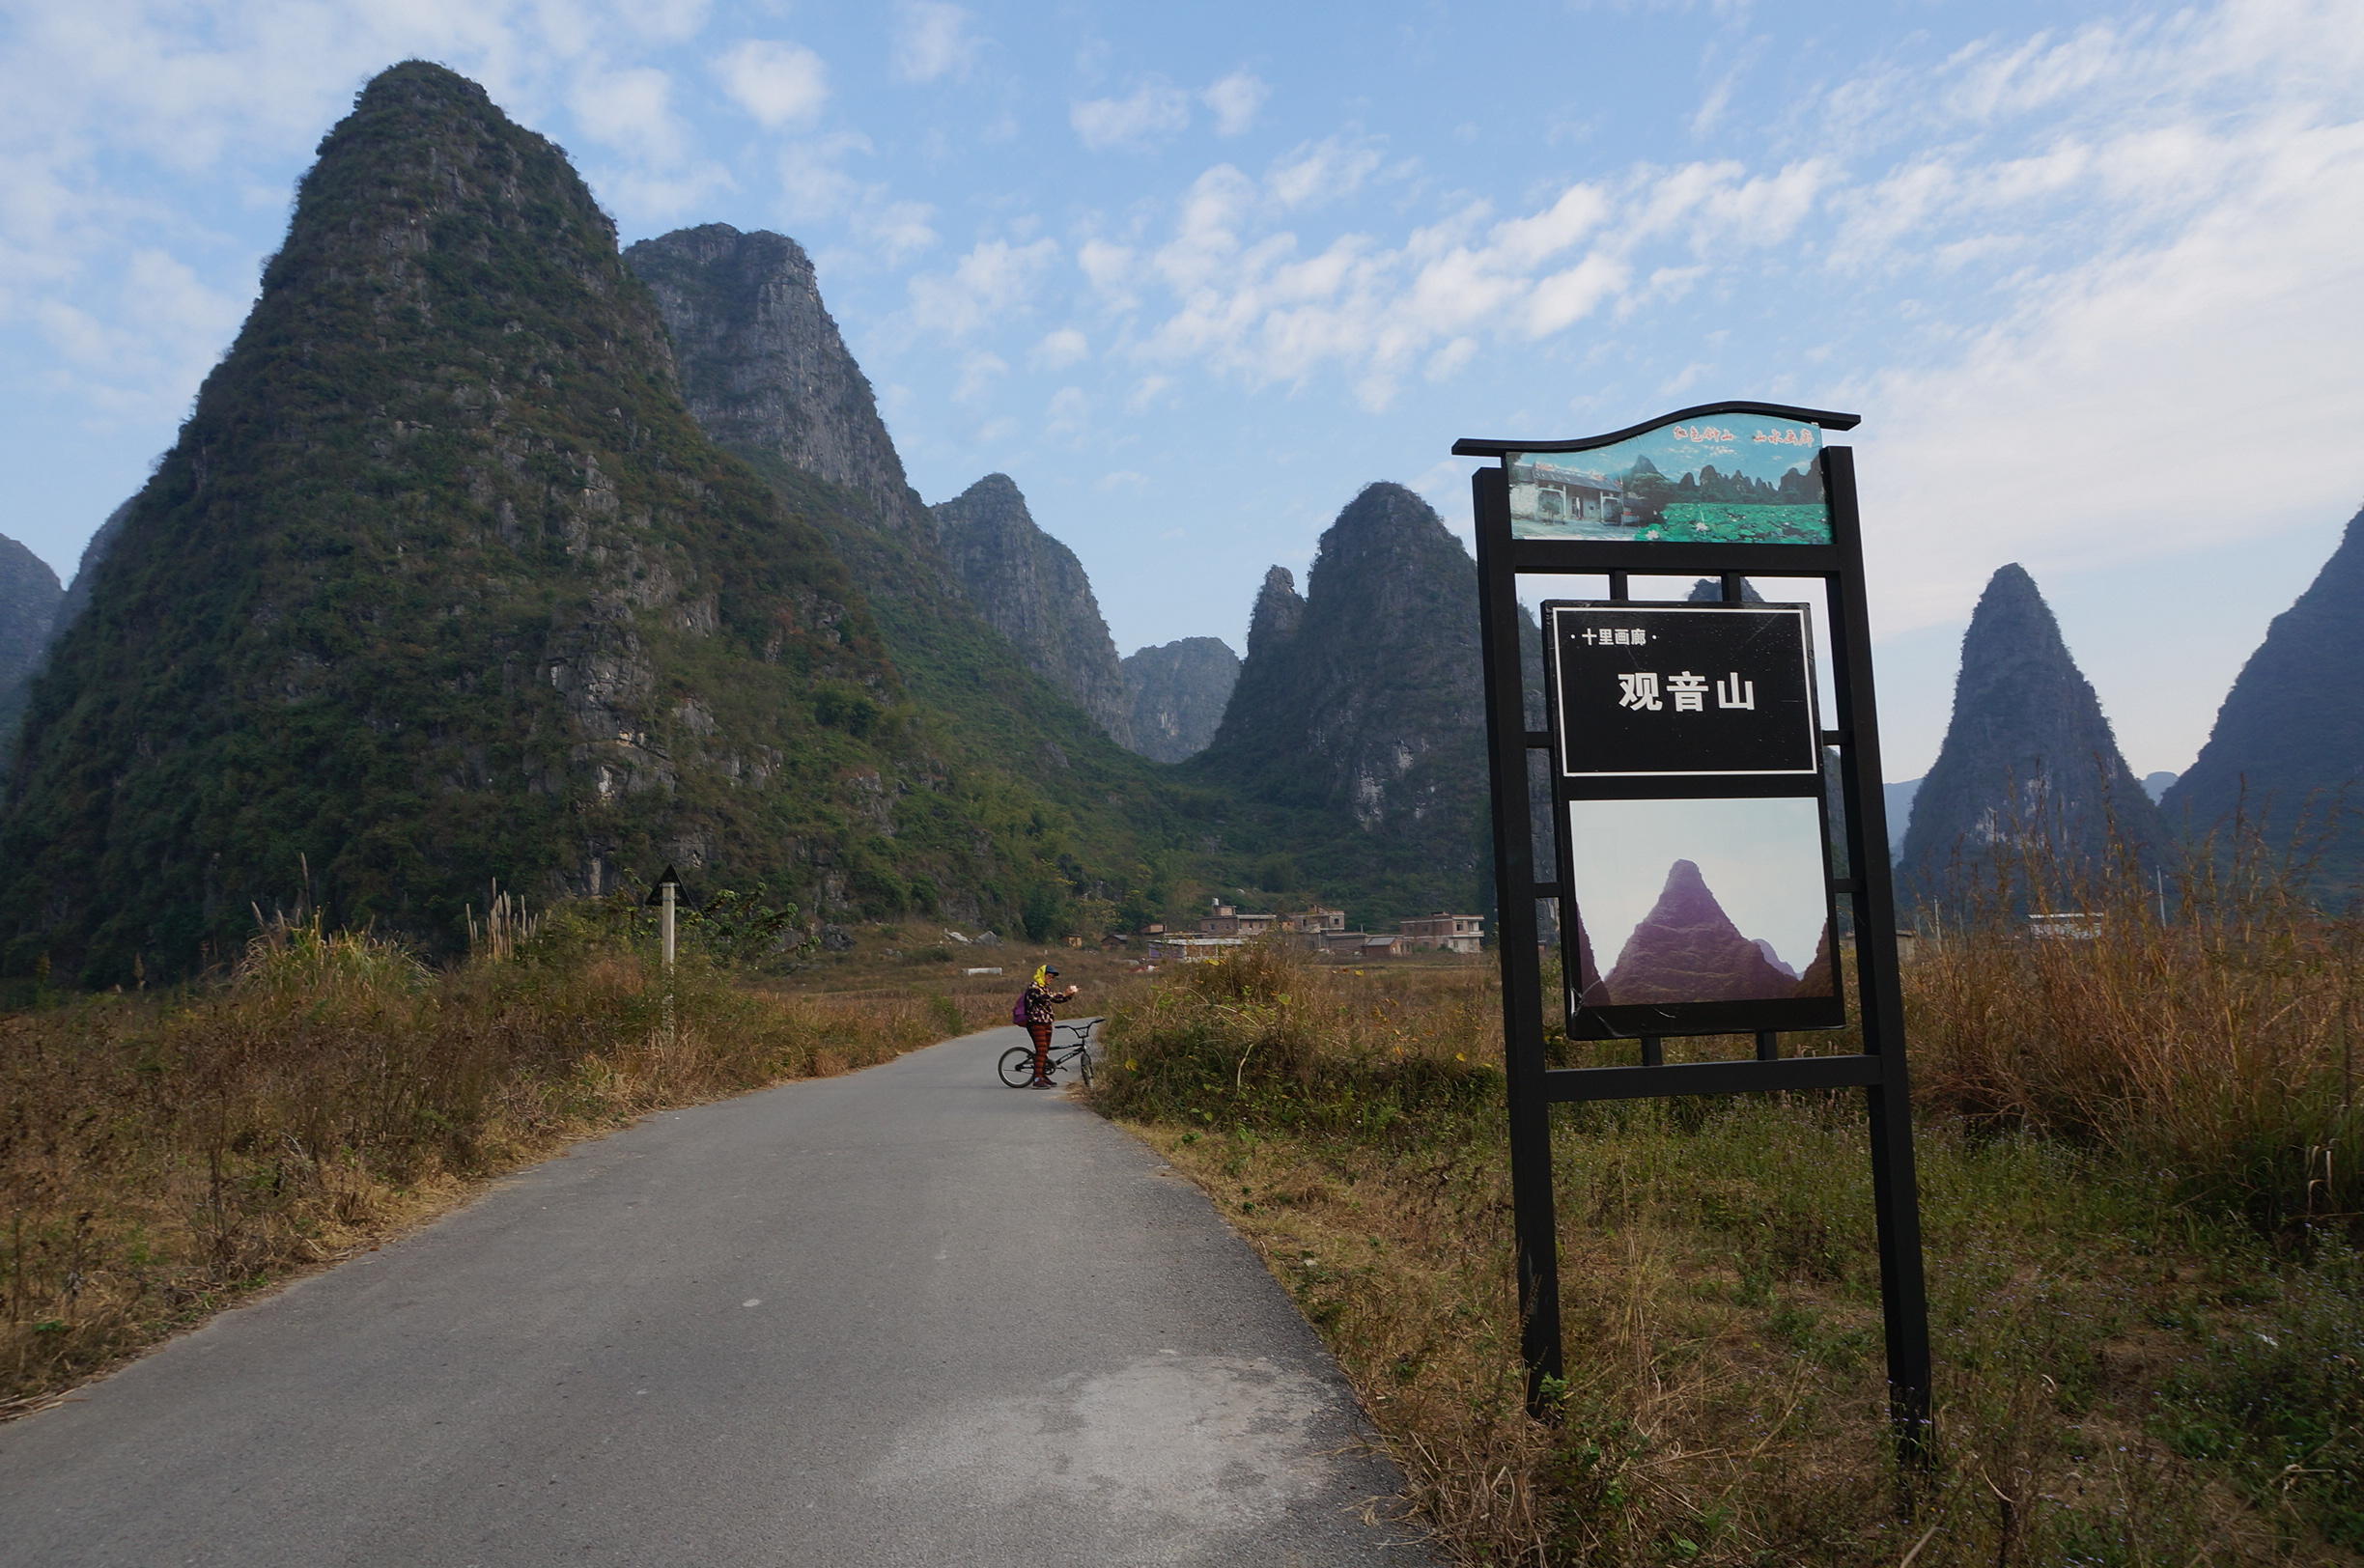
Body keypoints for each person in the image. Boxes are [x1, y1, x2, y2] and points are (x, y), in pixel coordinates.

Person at [1022, 964, 1081, 1088]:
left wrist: (1069, 995)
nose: (1051, 979)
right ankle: (1037, 1078)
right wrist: (1064, 993)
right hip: (1036, 1023)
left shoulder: (1045, 988)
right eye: (1049, 976)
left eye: (1053, 977)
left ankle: (1043, 1075)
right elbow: (1045, 997)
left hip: (1046, 1023)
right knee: (1042, 1049)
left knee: (1045, 1051)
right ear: (1042, 975)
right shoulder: (1034, 987)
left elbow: (1056, 999)